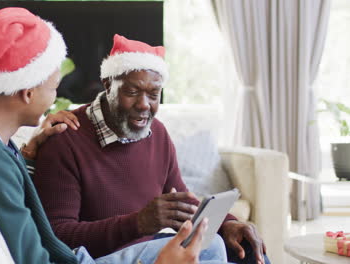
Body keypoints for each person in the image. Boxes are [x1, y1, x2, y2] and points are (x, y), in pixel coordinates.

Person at [0, 7, 228, 264]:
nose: (56, 99)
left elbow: (20, 210)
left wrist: (28, 155)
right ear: (27, 91)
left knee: (215, 245)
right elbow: (36, 254)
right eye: (53, 88)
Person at [34, 34, 270, 264]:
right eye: (132, 92)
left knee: (245, 251)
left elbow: (182, 204)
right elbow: (57, 237)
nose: (144, 104)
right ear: (108, 84)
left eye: (153, 94)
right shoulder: (64, 139)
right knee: (214, 250)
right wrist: (138, 223)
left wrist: (227, 224)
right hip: (99, 258)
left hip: (153, 252)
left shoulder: (158, 134)